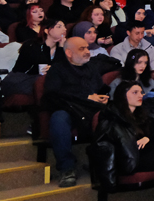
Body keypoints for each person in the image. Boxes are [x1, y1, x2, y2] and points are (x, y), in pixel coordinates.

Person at [44, 37, 109, 187]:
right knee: (59, 119)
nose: (87, 51)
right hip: (69, 109)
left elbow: (100, 89)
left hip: (92, 109)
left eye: (87, 48)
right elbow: (53, 94)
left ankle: (105, 162)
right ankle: (66, 168)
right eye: (82, 49)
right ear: (69, 53)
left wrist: (103, 97)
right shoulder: (57, 69)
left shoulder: (92, 68)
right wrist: (86, 96)